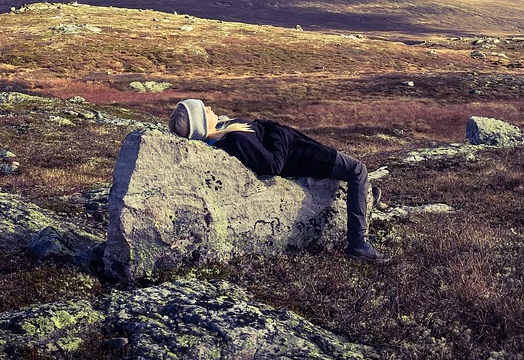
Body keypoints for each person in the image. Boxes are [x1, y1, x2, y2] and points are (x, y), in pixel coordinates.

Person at [168, 98, 392, 264]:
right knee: (357, 170)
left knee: (358, 180)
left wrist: (269, 127)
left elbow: (258, 135)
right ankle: (358, 244)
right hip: (303, 156)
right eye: (203, 109)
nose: (208, 107)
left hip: (299, 148)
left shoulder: (223, 132)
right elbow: (272, 166)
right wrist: (279, 131)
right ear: (200, 123)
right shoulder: (233, 139)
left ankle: (366, 199)